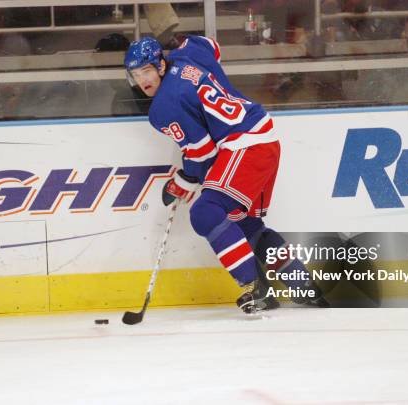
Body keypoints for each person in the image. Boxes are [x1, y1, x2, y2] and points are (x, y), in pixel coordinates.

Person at [124, 36, 328, 314]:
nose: (142, 80)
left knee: (205, 213)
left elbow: (202, 152)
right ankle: (302, 284)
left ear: (160, 65)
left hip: (244, 143)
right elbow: (212, 46)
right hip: (262, 136)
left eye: (146, 71)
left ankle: (255, 287)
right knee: (245, 224)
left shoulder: (162, 108)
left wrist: (183, 181)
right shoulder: (188, 53)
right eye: (136, 75)